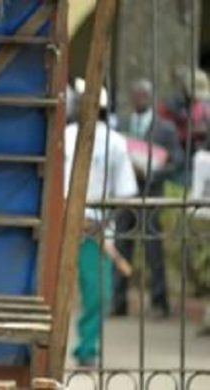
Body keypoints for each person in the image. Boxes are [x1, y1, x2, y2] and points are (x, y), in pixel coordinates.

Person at [64, 83, 139, 366]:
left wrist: (101, 223)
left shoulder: (115, 143)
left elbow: (126, 192)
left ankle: (86, 349)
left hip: (98, 232)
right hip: (62, 227)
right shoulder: (65, 137)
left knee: (98, 294)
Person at [112, 79, 183, 318]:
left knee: (154, 250)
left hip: (152, 195)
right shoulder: (121, 124)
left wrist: (155, 170)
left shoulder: (165, 128)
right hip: (126, 194)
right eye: (136, 94)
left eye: (144, 94)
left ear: (150, 97)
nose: (140, 98)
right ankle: (118, 302)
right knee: (122, 246)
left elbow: (177, 160)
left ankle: (159, 302)